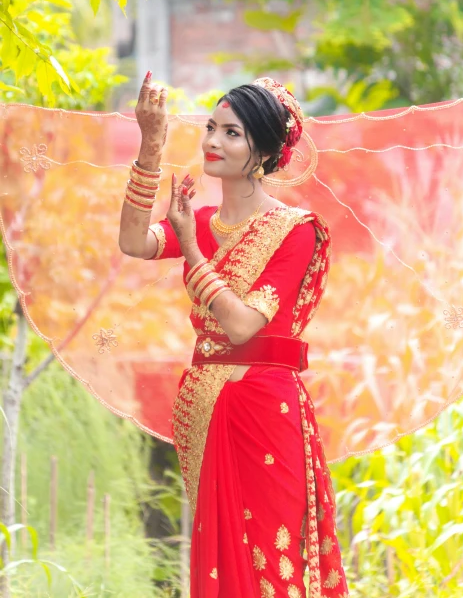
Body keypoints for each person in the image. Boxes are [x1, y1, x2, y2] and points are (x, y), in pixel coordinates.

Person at [119, 72, 349, 598]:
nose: (212, 142)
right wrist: (151, 144)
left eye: (232, 133)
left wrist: (192, 250)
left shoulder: (296, 230)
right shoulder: (198, 219)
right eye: (210, 127)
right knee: (220, 563)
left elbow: (243, 323)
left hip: (264, 410)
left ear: (264, 151)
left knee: (271, 560)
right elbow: (132, 241)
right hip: (202, 408)